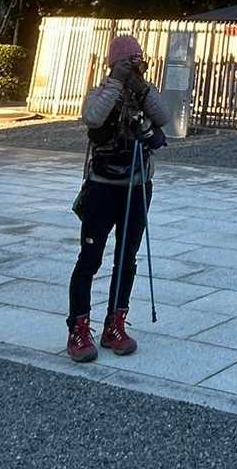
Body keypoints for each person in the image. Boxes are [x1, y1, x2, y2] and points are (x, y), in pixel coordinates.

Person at [66, 34, 171, 362]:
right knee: (90, 258)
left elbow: (164, 117)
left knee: (127, 258)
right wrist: (115, 81)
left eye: (138, 61)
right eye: (128, 61)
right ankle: (78, 327)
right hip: (102, 185)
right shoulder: (100, 91)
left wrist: (141, 87)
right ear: (114, 63)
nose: (134, 67)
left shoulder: (144, 92)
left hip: (137, 185)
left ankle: (115, 323)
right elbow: (93, 117)